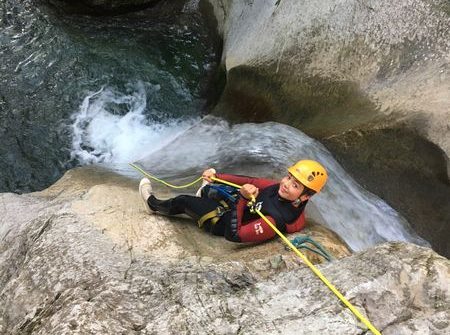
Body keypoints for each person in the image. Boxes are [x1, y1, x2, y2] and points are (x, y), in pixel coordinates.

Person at [139, 160, 327, 243]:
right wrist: (217, 176)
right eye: (288, 178)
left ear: (305, 197)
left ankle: (152, 204)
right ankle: (205, 191)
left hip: (222, 222)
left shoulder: (275, 220)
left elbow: (234, 235)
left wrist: (243, 198)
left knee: (182, 200)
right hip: (240, 208)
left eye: (295, 185)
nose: (286, 184)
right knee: (216, 188)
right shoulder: (282, 191)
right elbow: (253, 182)